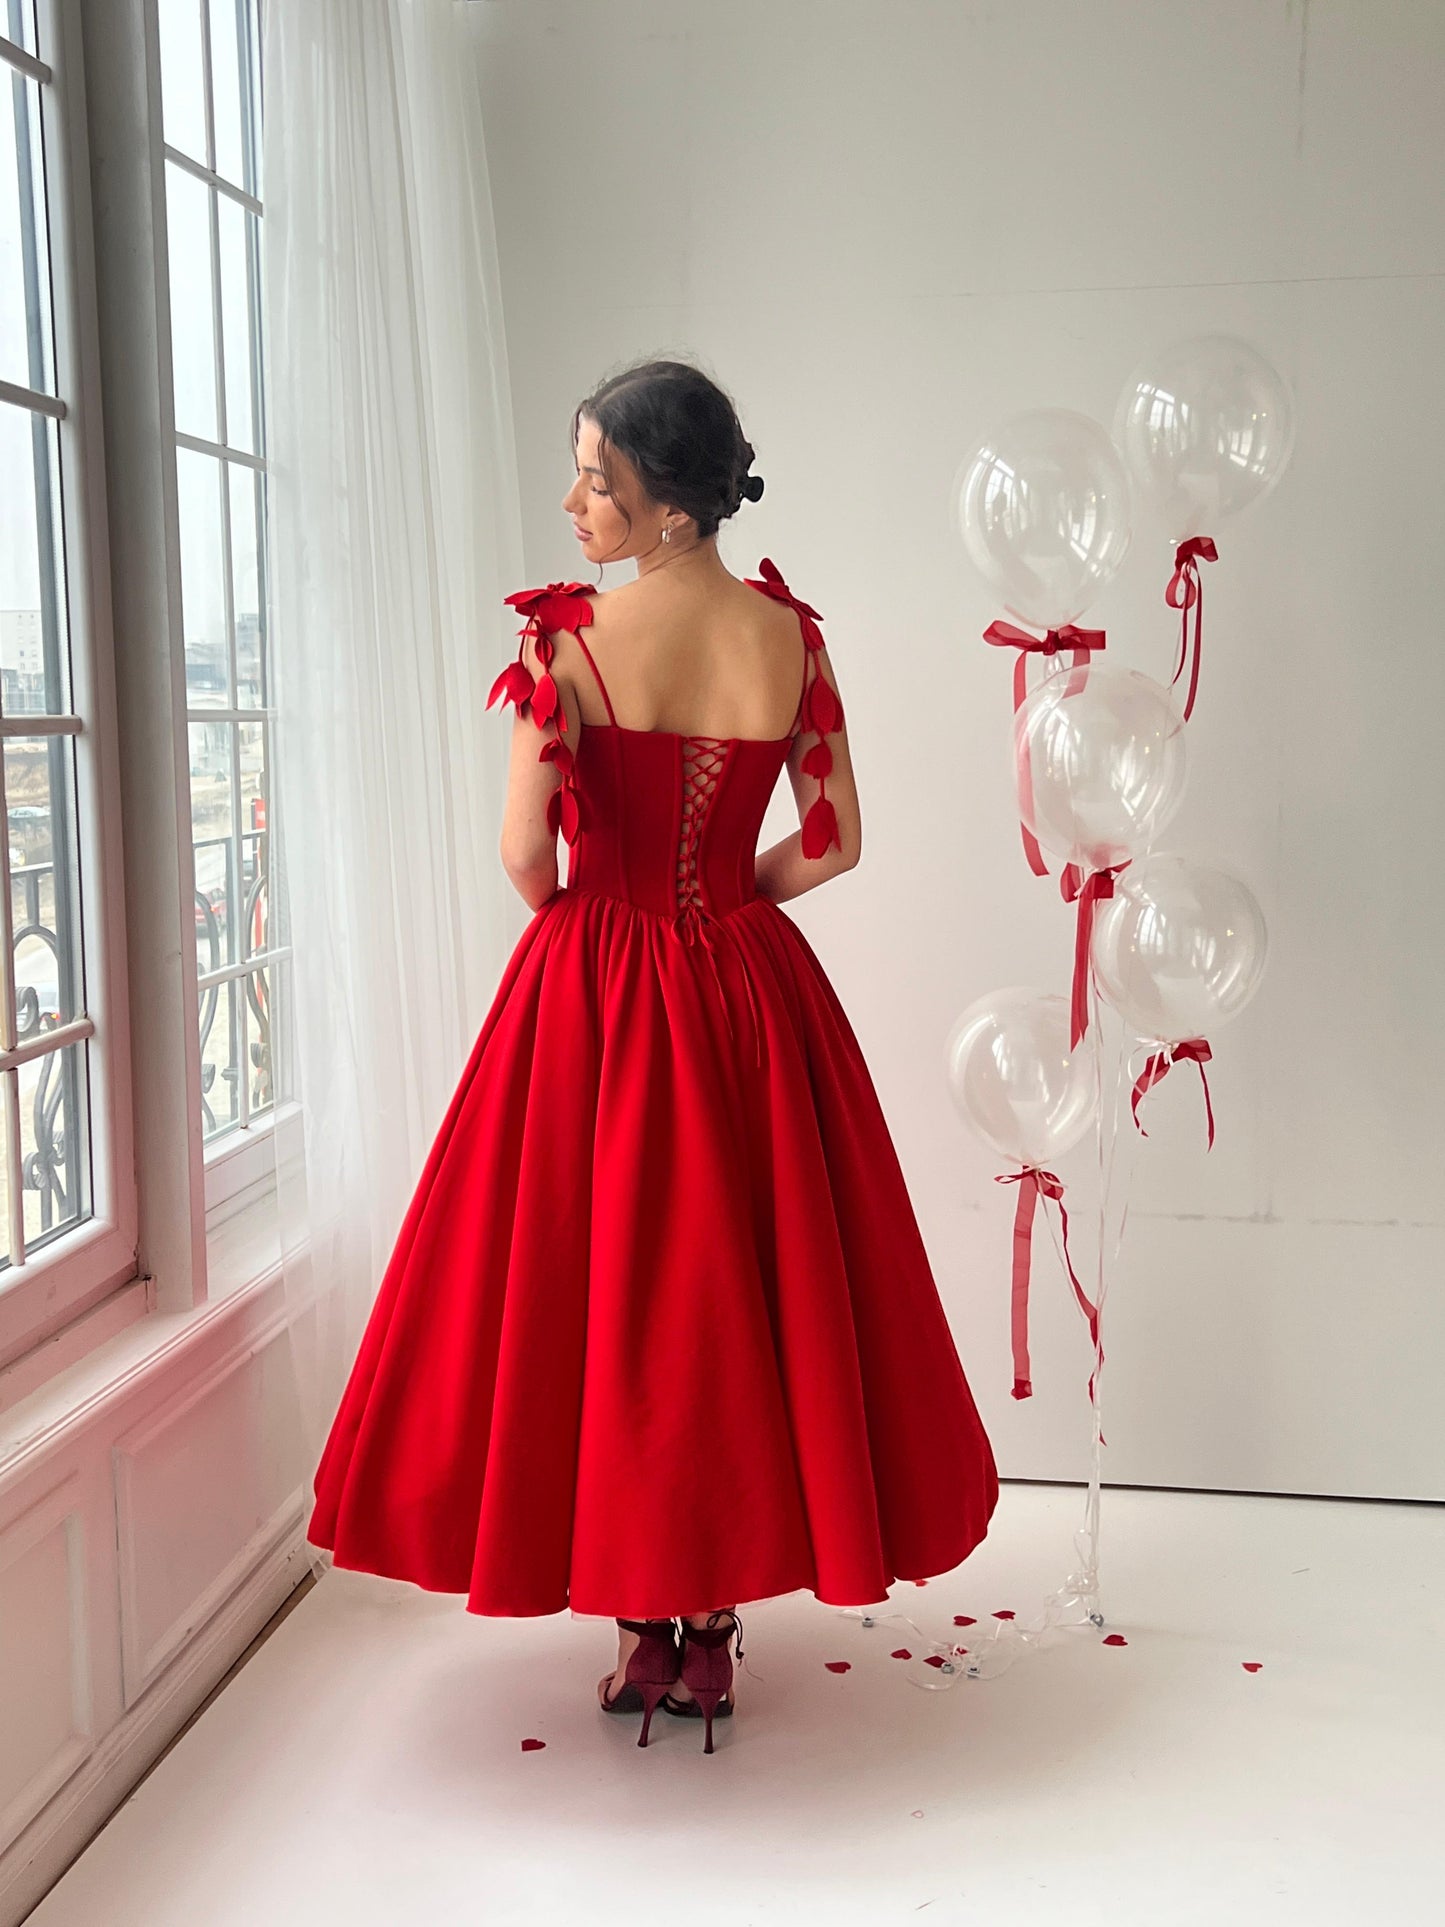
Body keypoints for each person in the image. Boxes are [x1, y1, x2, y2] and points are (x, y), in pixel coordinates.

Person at [305, 357, 999, 1754]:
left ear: (668, 507)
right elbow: (836, 839)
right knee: (744, 1284)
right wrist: (727, 904)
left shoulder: (568, 646)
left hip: (596, 978)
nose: (573, 504)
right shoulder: (788, 640)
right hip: (744, 982)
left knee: (607, 1283)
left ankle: (640, 1626)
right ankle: (711, 1634)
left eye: (595, 479)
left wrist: (595, 922)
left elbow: (520, 855)